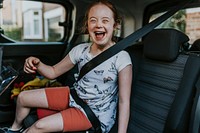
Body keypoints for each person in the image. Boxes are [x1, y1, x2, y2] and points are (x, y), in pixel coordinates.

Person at [4, 0, 132, 133]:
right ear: (87, 25)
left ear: (115, 25)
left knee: (38, 126)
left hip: (94, 113)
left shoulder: (122, 58)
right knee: (23, 97)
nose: (98, 25)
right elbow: (53, 72)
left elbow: (124, 102)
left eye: (105, 21)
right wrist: (38, 63)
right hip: (74, 95)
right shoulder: (80, 50)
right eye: (93, 20)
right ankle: (14, 129)